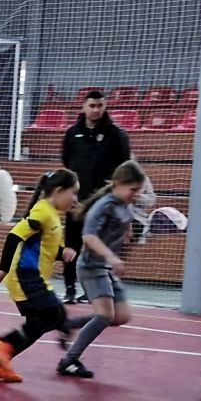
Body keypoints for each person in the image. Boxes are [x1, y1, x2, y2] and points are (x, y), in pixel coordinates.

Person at [0, 169, 94, 383]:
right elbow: (14, 236)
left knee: (39, 324)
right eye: (73, 193)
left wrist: (63, 253)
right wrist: (2, 270)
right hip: (25, 275)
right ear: (59, 191)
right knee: (54, 314)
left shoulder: (52, 215)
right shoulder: (42, 212)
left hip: (35, 276)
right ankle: (5, 342)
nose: (75, 199)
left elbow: (46, 248)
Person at [57, 161, 146, 378]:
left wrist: (127, 233)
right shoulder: (103, 206)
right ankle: (69, 361)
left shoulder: (124, 204)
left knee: (121, 316)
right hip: (91, 267)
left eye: (139, 191)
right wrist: (111, 256)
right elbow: (88, 237)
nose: (136, 194)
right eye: (133, 190)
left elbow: (122, 222)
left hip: (105, 268)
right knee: (105, 315)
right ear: (118, 183)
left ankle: (69, 324)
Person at [61, 90, 131, 303]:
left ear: (105, 106)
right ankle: (70, 288)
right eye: (92, 105)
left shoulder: (117, 135)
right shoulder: (72, 133)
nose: (96, 110)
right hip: (77, 201)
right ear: (84, 106)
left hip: (103, 202)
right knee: (72, 244)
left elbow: (124, 169)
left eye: (100, 105)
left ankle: (94, 290)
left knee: (98, 247)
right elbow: (67, 162)